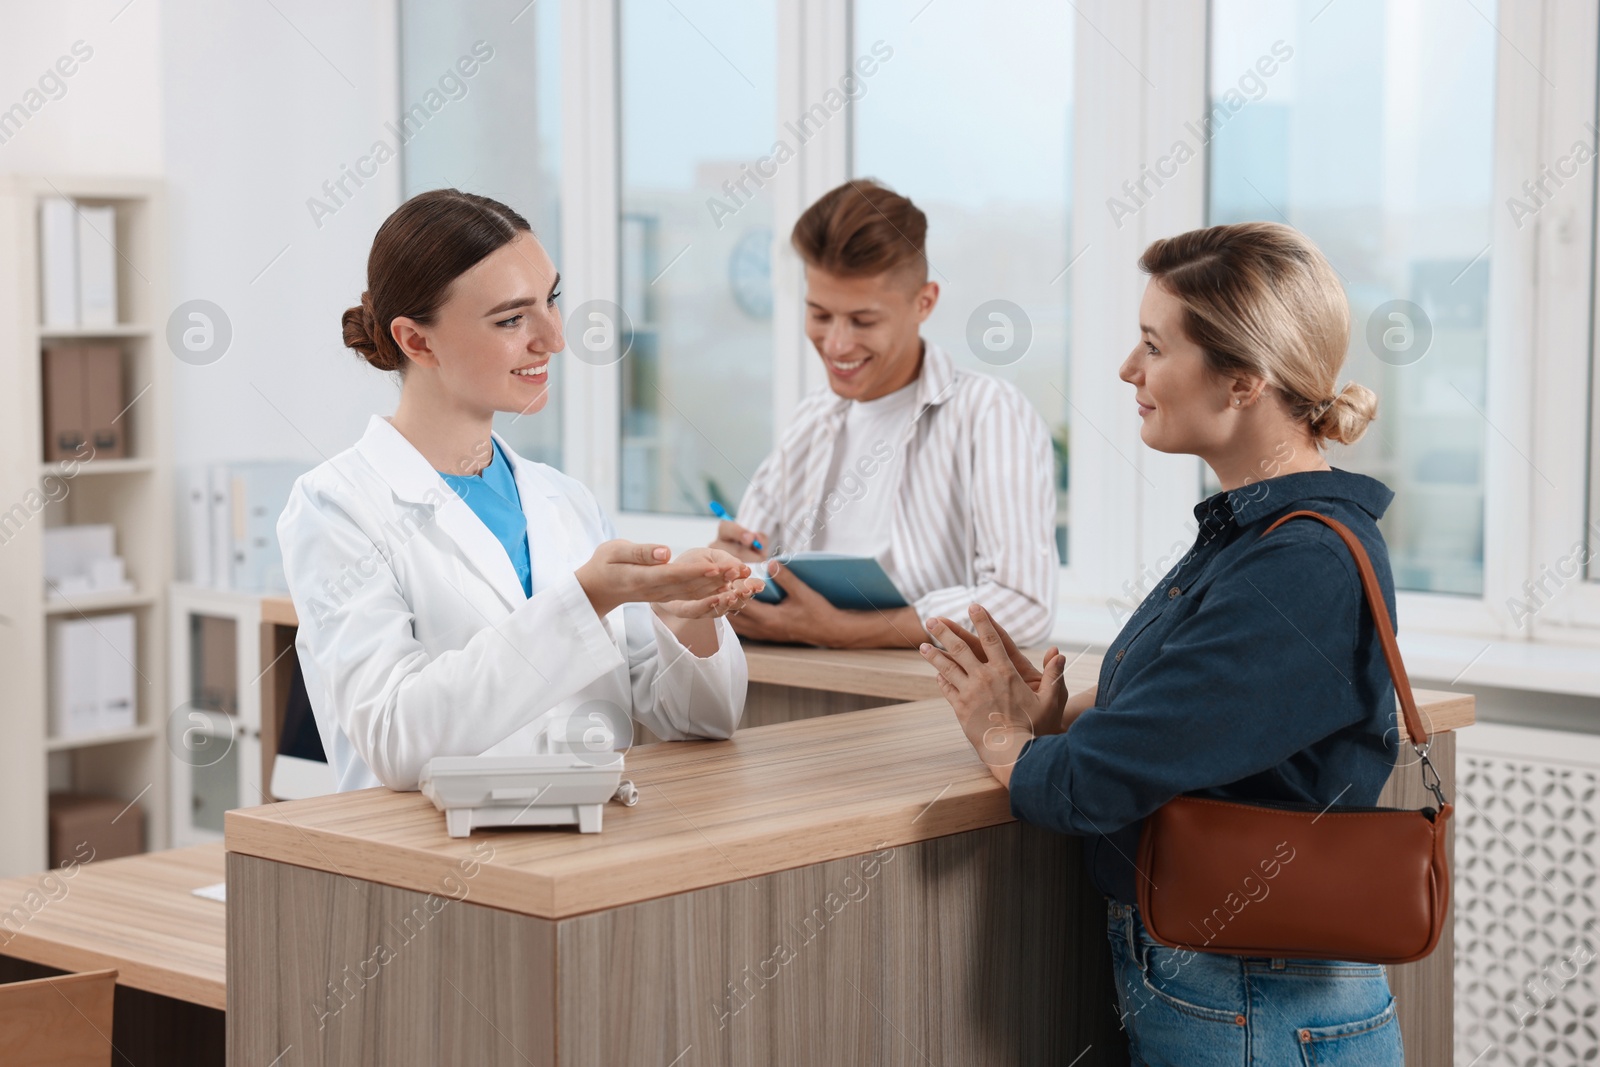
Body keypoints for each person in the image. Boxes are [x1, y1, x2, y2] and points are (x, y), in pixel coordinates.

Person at [919, 222, 1405, 1064]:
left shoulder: (1301, 564)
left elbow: (1091, 787)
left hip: (1256, 1001)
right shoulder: (1257, 534)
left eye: (1153, 344)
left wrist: (1004, 739)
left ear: (1244, 380)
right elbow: (1189, 721)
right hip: (1237, 991)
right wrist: (1061, 717)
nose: (1127, 370)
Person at [278, 189, 762, 793]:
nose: (554, 339)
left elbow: (701, 723)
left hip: (590, 855)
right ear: (417, 341)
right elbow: (397, 741)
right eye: (511, 319)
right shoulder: (337, 508)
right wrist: (585, 599)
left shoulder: (564, 500)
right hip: (425, 869)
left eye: (551, 302)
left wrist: (684, 621)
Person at [713, 179, 1059, 650]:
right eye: (819, 315)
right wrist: (731, 564)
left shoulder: (990, 413)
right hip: (798, 687)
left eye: (863, 321)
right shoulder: (812, 418)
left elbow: (1025, 605)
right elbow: (749, 558)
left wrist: (846, 632)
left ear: (925, 302)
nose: (836, 344)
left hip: (927, 708)